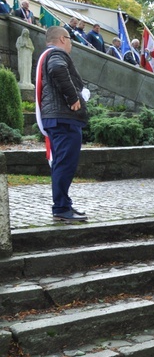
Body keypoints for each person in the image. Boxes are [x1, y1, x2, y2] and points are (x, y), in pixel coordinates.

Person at [36, 26, 89, 221]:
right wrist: (73, 97)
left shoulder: (48, 54)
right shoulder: (57, 54)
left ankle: (63, 204)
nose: (71, 43)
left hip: (57, 117)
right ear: (62, 39)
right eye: (70, 39)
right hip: (63, 118)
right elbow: (58, 69)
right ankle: (60, 208)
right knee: (64, 164)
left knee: (62, 163)